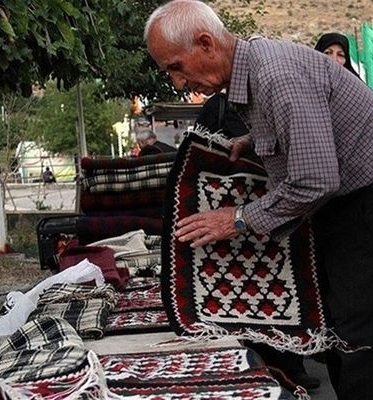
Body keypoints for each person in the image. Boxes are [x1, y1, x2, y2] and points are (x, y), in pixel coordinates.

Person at [144, 1, 373, 399]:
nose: (178, 84)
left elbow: (316, 179)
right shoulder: (254, 71)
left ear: (205, 43)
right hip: (349, 204)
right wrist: (253, 141)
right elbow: (312, 126)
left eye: (176, 67)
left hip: (361, 206)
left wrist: (235, 219)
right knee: (341, 327)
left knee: (358, 338)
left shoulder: (276, 76)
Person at [195, 92, 320, 390]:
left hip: (274, 208)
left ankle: (291, 365)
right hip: (229, 210)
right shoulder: (218, 106)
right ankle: (256, 365)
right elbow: (199, 151)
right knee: (243, 290)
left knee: (281, 284)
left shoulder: (270, 101)